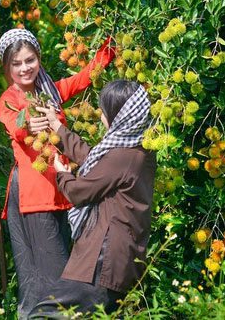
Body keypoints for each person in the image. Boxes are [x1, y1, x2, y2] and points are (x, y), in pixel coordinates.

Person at [0, 28, 115, 319]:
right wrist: (30, 127)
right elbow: (15, 126)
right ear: (7, 68)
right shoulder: (9, 100)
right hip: (33, 194)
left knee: (51, 270)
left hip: (60, 191)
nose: (25, 68)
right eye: (17, 63)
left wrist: (112, 43)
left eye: (30, 60)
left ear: (39, 59)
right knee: (52, 272)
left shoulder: (49, 91)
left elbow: (86, 76)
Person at [29, 80, 156, 318]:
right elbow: (96, 162)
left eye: (104, 111)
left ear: (119, 116)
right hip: (119, 260)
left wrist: (63, 174)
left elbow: (80, 192)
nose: (101, 117)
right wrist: (57, 127)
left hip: (102, 262)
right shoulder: (137, 150)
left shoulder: (123, 156)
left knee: (43, 313)